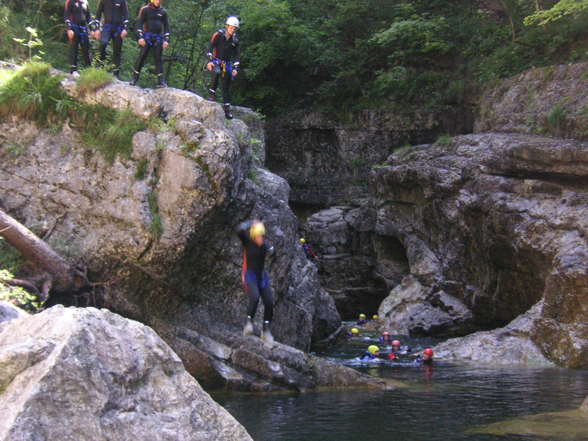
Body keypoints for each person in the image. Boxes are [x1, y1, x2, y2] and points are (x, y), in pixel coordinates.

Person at [237, 220, 275, 344]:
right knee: (255, 297)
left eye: (262, 236)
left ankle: (266, 330)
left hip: (261, 276)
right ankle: (248, 323)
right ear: (254, 236)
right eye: (258, 236)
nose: (260, 238)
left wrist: (272, 251)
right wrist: (250, 223)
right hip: (250, 275)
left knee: (269, 302)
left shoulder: (264, 244)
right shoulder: (248, 242)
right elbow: (239, 230)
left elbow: (272, 250)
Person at [206, 16, 241, 120]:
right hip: (216, 60)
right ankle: (212, 94)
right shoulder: (218, 35)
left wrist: (235, 68)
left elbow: (237, 55)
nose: (232, 30)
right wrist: (209, 61)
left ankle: (227, 110)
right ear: (227, 26)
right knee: (216, 72)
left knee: (226, 85)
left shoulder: (235, 41)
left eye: (234, 28)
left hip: (227, 64)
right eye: (231, 27)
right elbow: (209, 47)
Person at [130, 0, 170, 88]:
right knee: (142, 56)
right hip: (147, 36)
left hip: (158, 37)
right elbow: (139, 24)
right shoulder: (145, 10)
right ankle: (134, 78)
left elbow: (166, 26)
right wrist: (140, 37)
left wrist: (166, 40)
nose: (158, 1)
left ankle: (161, 81)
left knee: (158, 58)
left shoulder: (163, 12)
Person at [95, 0, 129, 78]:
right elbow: (98, 14)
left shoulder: (122, 1)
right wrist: (97, 29)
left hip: (118, 28)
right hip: (107, 26)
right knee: (103, 43)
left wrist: (125, 29)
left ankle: (115, 73)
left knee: (117, 50)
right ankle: (100, 66)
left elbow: (126, 15)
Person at [64, 0, 93, 76]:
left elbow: (88, 17)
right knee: (74, 48)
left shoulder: (85, 2)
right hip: (74, 28)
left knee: (86, 49)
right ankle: (73, 70)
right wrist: (69, 29)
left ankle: (89, 69)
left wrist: (92, 29)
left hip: (83, 29)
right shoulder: (70, 1)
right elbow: (66, 16)